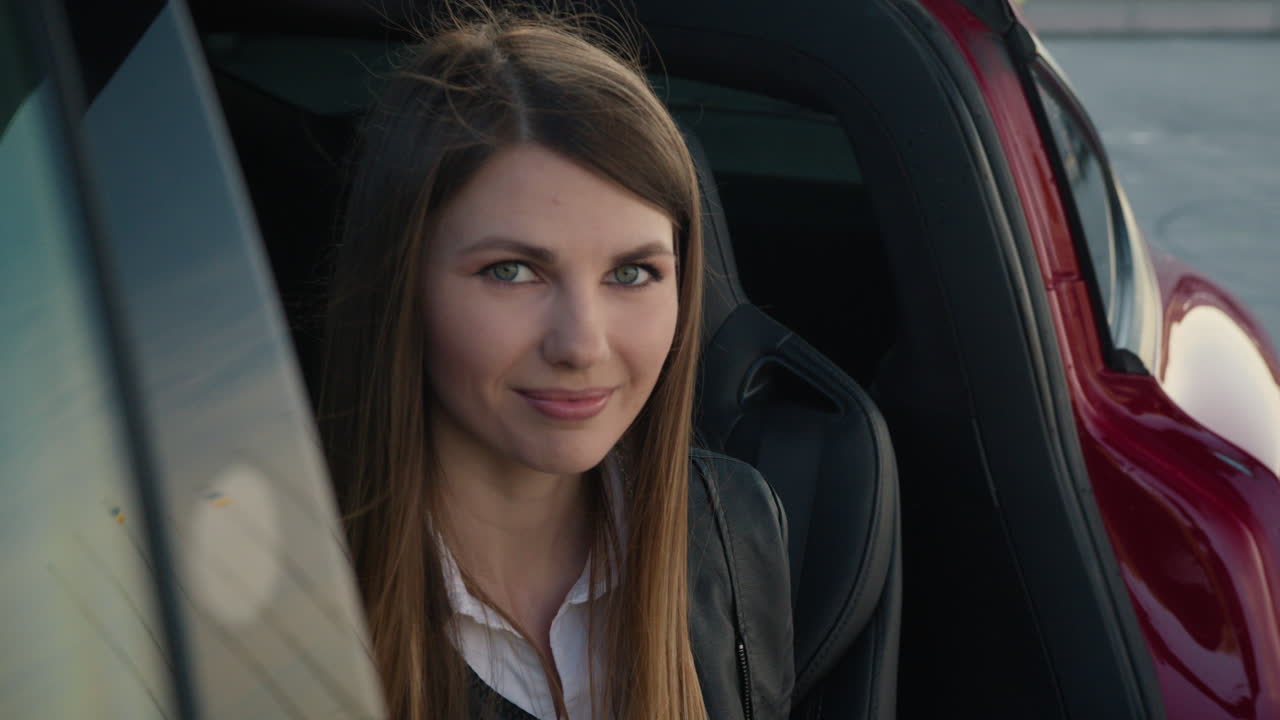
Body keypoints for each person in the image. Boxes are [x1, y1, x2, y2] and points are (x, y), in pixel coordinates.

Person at [317, 5, 793, 719]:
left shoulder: (732, 526)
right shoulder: (278, 574)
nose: (581, 345)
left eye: (632, 274)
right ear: (401, 284)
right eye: (512, 271)